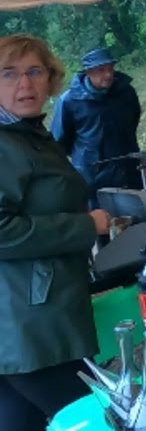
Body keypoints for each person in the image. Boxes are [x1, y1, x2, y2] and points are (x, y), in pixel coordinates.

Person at [0, 35, 112, 430]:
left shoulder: (28, 134)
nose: (24, 84)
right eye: (8, 74)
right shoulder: (4, 142)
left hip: (31, 319)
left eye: (34, 71)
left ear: (51, 79)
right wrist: (85, 226)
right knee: (99, 416)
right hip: (32, 328)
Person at [50, 48, 143, 198]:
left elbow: (133, 120)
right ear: (88, 72)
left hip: (129, 169)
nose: (108, 75)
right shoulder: (69, 101)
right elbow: (58, 142)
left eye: (110, 69)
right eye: (101, 70)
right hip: (92, 176)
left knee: (139, 214)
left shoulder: (126, 92)